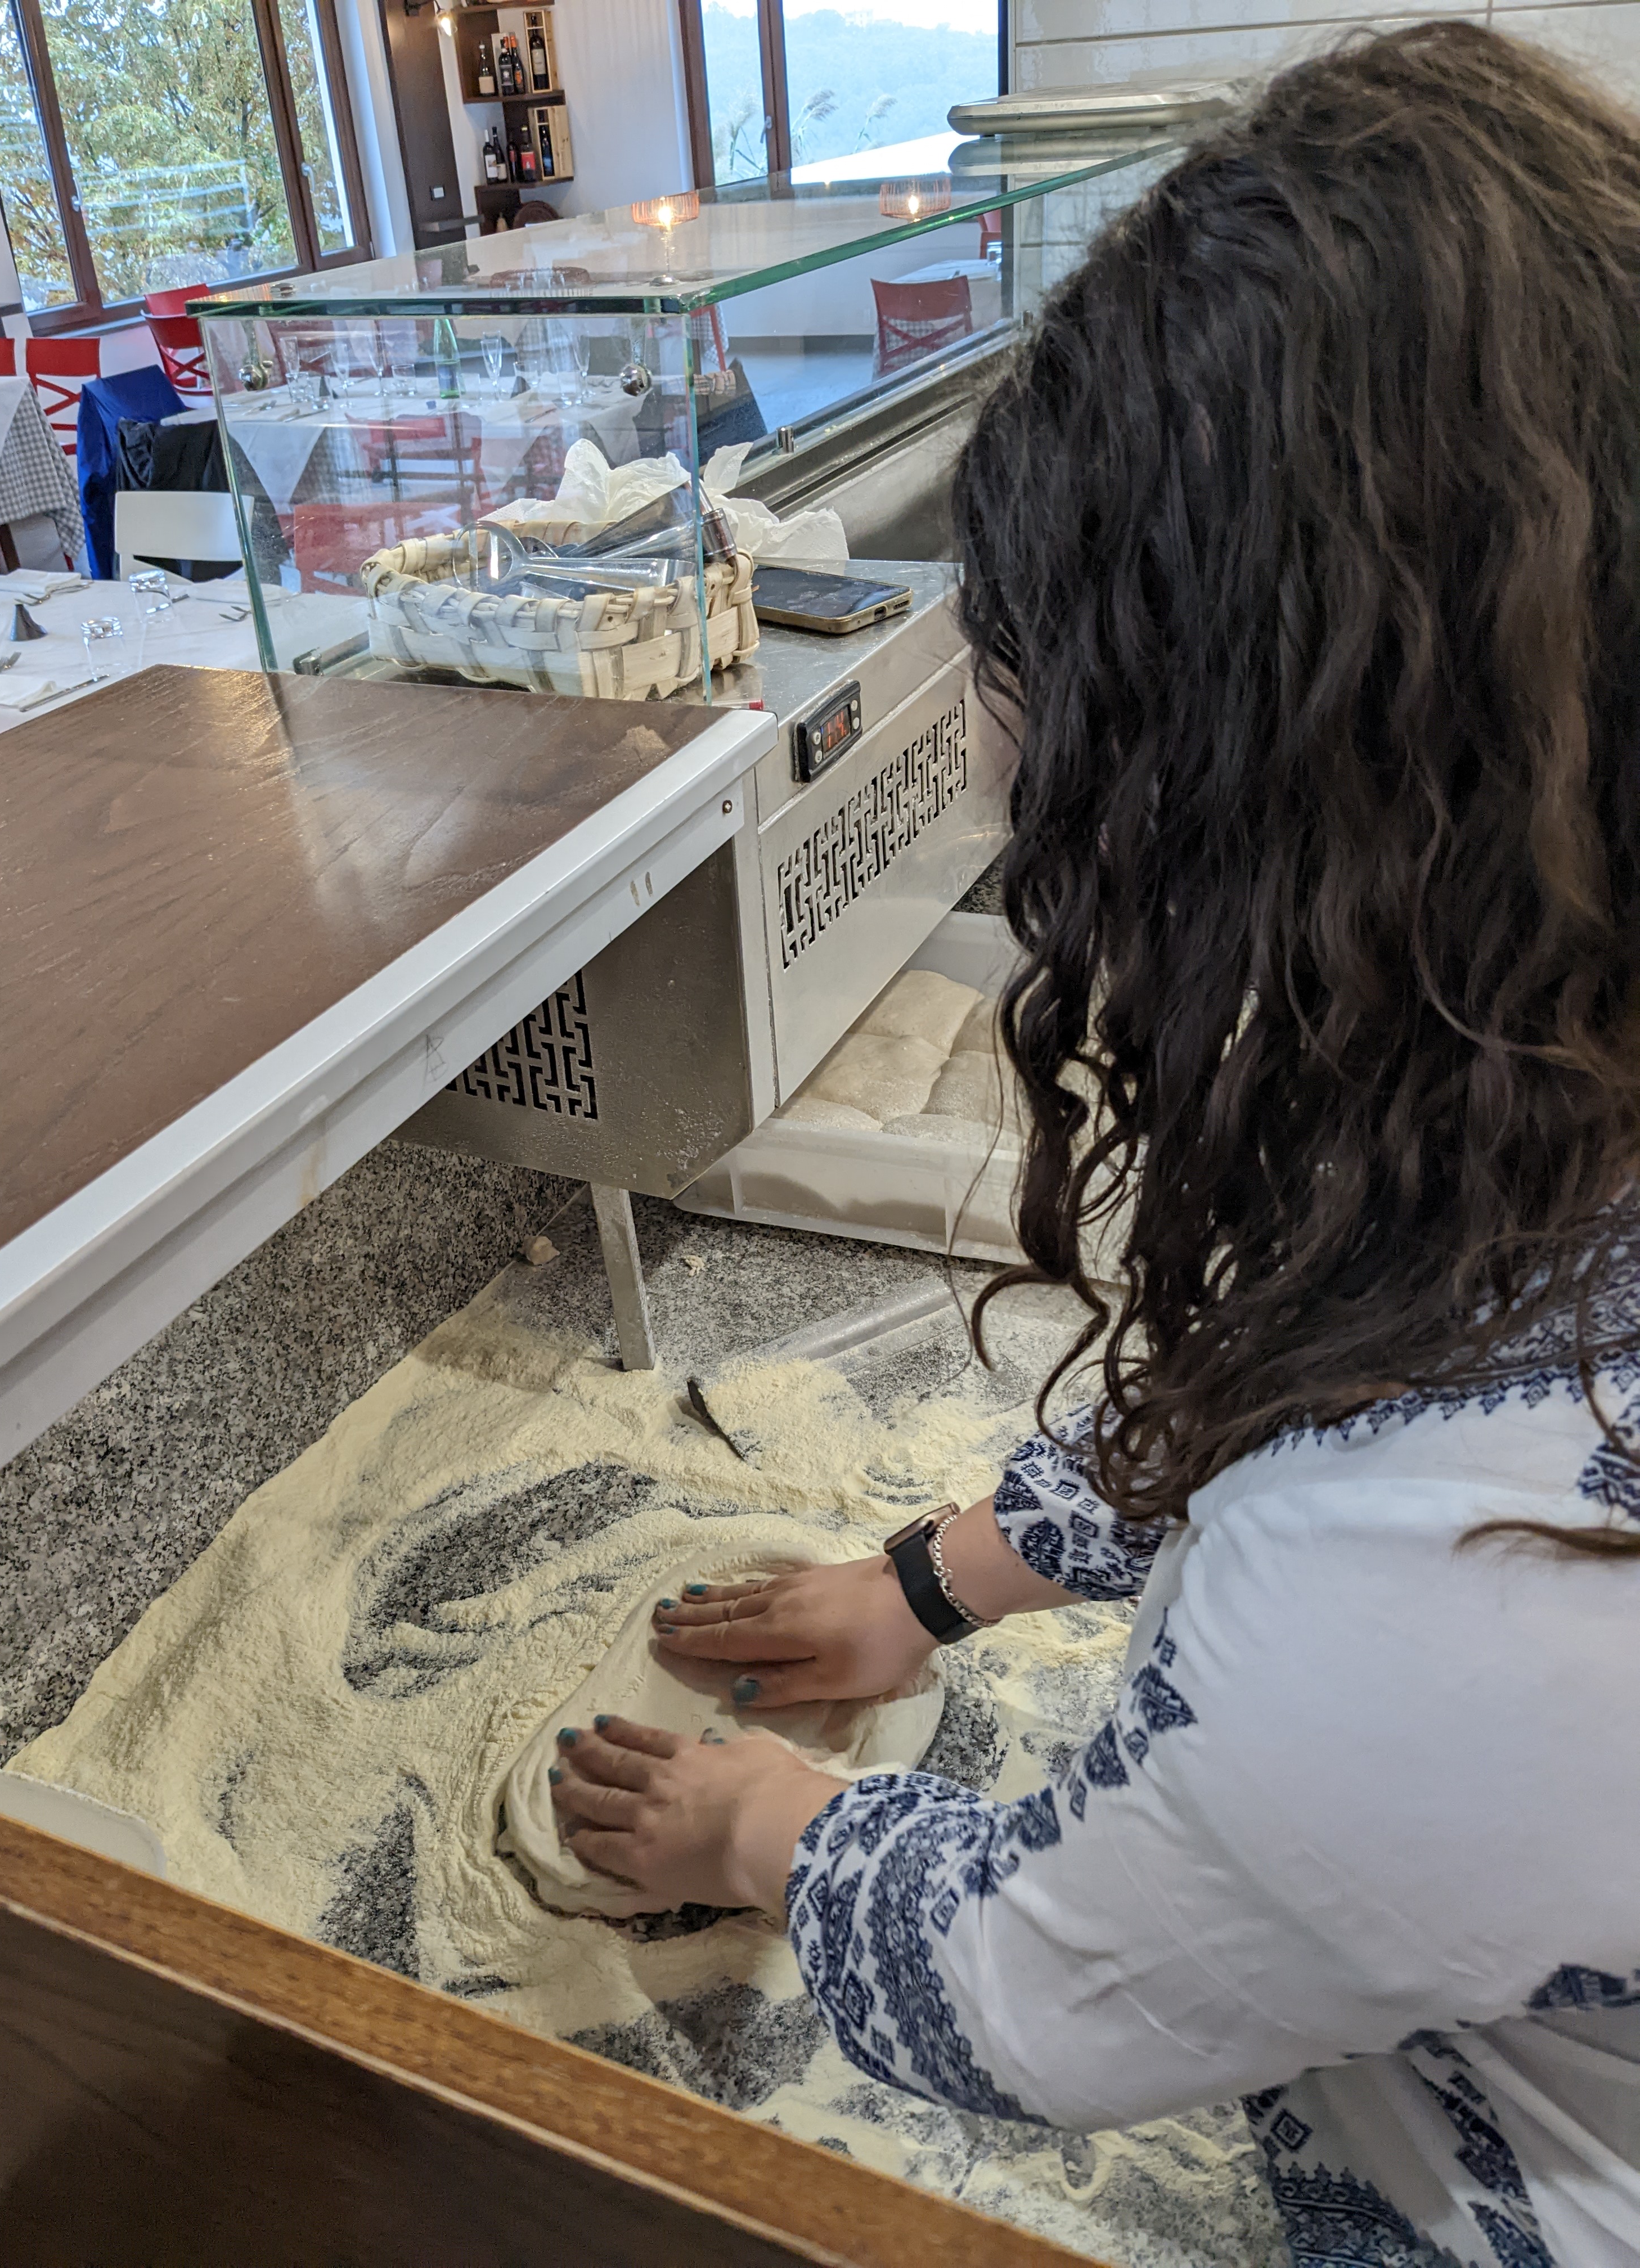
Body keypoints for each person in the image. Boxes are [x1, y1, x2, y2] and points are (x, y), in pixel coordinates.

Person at [550, 25, 1640, 2264]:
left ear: (1288, 837)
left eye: (1062, 810)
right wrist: (936, 1581)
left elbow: (1036, 1987)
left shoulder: (1431, 1617)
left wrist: (763, 1828)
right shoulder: (1545, 1080)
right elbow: (1349, 1359)